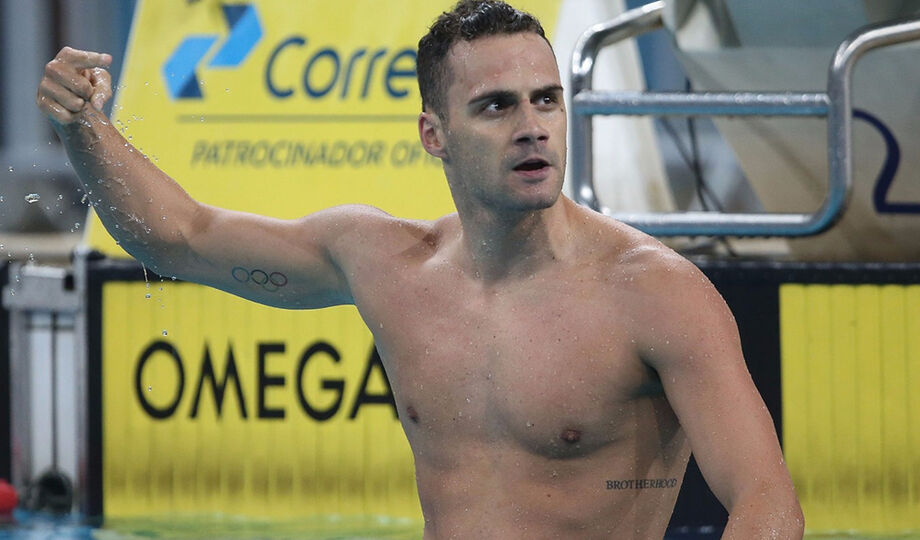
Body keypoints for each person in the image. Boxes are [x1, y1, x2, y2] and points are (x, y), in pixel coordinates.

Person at [36, 1, 804, 538]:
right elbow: (180, 238)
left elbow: (767, 504)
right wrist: (82, 125)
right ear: (434, 135)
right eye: (496, 107)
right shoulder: (388, 265)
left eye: (546, 100)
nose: (532, 128)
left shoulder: (655, 294)